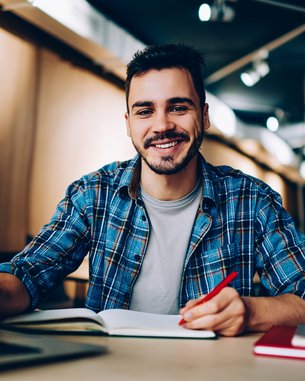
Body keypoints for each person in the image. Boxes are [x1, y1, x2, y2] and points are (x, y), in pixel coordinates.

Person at [0, 44, 304, 337]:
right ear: (128, 123)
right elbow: (28, 274)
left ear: (205, 115)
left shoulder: (253, 201)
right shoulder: (93, 194)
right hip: (111, 370)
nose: (162, 125)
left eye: (178, 107)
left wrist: (250, 311)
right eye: (145, 111)